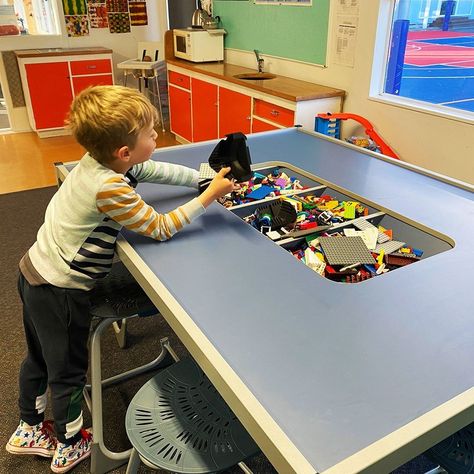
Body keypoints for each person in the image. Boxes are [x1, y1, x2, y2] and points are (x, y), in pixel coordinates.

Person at [5, 85, 237, 473]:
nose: (156, 137)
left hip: (34, 272)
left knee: (41, 358)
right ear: (124, 152)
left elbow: (154, 169)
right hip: (60, 291)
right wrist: (209, 196)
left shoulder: (100, 162)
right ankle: (68, 442)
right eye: (151, 134)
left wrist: (201, 178)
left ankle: (29, 424)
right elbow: (160, 228)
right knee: (68, 372)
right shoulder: (110, 187)